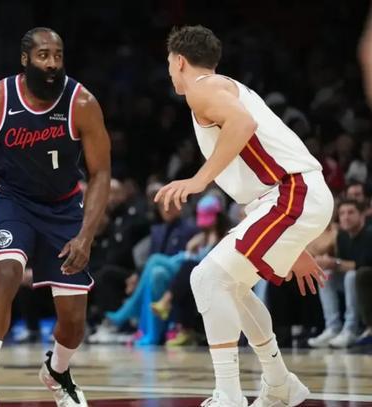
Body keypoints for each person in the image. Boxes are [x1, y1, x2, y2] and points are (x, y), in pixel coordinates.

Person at [0, 27, 111, 407]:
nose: (52, 63)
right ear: (25, 59)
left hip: (63, 209)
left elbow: (101, 174)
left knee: (73, 321)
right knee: (6, 275)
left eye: (58, 55)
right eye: (44, 55)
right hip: (14, 203)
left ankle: (57, 371)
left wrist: (86, 236)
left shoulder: (82, 103)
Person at [156, 26, 332, 407]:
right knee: (231, 287)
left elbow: (243, 125)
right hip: (288, 198)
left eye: (169, 63)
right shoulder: (224, 87)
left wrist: (199, 179)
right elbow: (256, 171)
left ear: (180, 61)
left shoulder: (202, 88)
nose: (170, 71)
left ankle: (229, 395)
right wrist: (293, 244)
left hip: (292, 193)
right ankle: (280, 383)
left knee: (207, 278)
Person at [309, 199, 372, 348]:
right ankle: (333, 327)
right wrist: (327, 262)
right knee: (326, 275)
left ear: (361, 215)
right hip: (352, 282)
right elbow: (341, 264)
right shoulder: (342, 236)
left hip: (366, 282)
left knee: (351, 276)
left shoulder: (369, 234)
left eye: (350, 212)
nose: (345, 217)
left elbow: (361, 265)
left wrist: (335, 262)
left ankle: (351, 328)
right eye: (342, 213)